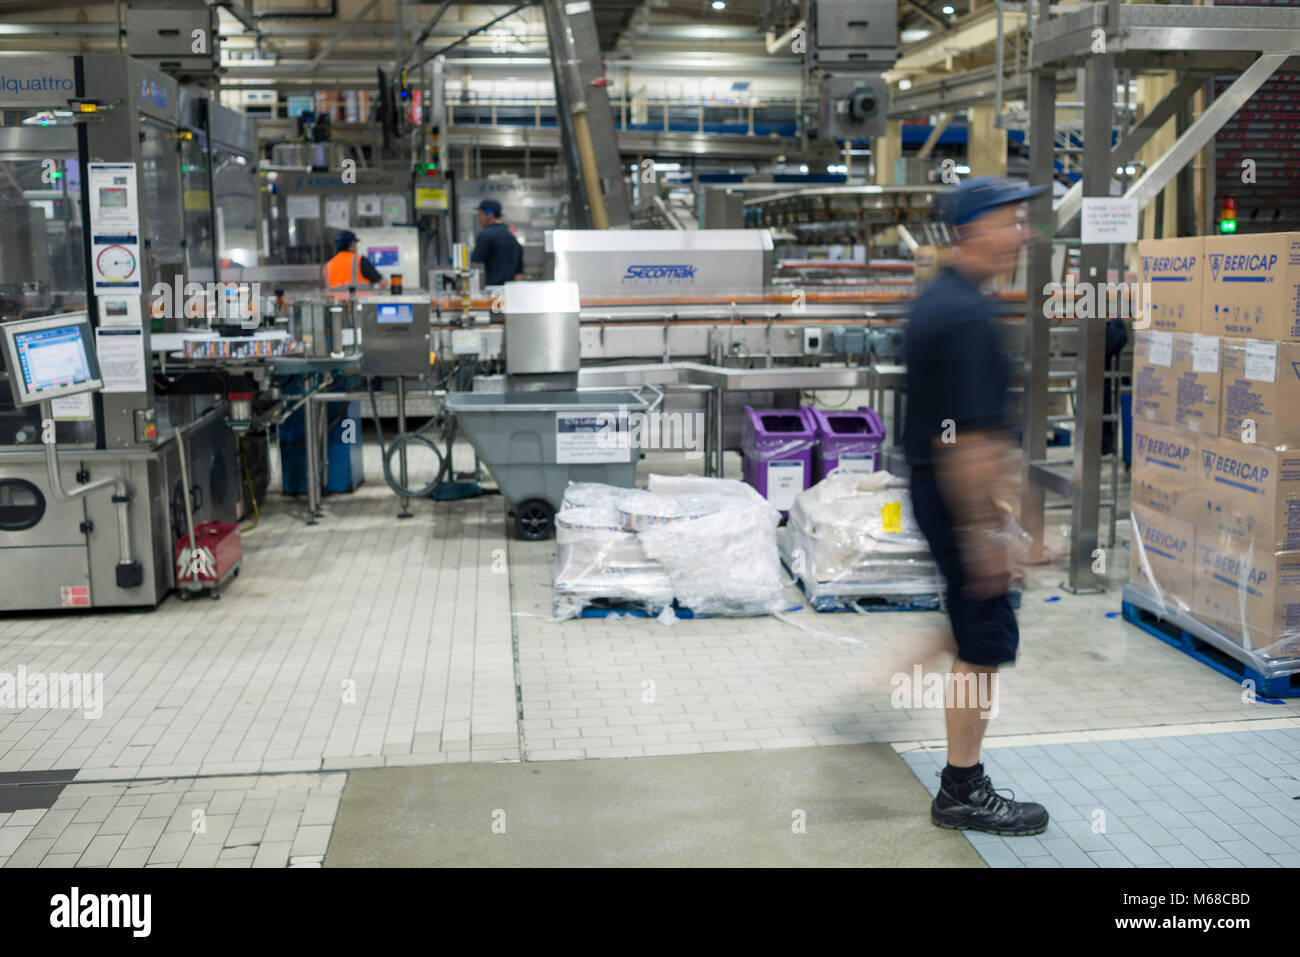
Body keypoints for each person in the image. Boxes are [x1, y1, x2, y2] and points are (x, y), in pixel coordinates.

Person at [903, 176, 1050, 837]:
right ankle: (961, 789)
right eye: (1010, 221)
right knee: (983, 638)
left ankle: (960, 781)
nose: (1022, 234)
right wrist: (989, 535)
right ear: (973, 230)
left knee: (973, 630)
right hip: (955, 496)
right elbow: (963, 443)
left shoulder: (945, 297)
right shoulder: (963, 314)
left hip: (945, 491)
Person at [470, 199, 525, 286]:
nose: (478, 219)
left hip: (490, 291)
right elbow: (519, 275)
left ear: (490, 215)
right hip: (509, 291)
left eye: (480, 216)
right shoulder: (514, 239)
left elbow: (474, 266)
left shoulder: (485, 235)